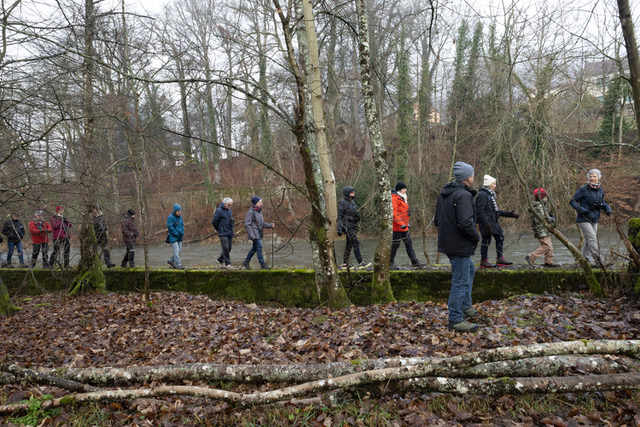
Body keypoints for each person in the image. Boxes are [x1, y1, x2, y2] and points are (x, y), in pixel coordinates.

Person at [435, 161, 480, 333]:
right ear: (468, 177)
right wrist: (475, 237)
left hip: (448, 242)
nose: (473, 176)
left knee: (469, 269)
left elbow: (437, 220)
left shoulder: (444, 194)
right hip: (459, 243)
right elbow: (466, 223)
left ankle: (465, 306)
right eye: (472, 174)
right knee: (460, 281)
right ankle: (455, 319)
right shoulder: (463, 195)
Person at [570, 168, 612, 267]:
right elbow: (572, 201)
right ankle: (598, 261)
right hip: (583, 218)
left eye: (594, 176)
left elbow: (602, 202)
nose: (592, 178)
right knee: (592, 239)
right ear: (588, 178)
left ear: (598, 178)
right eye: (591, 176)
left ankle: (584, 260)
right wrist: (581, 209)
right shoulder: (583, 189)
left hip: (595, 218)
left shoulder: (600, 189)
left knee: (589, 240)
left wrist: (607, 208)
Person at [475, 175, 519, 268]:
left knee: (500, 237)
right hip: (486, 222)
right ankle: (484, 261)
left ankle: (500, 259)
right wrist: (486, 223)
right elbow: (480, 211)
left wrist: (509, 214)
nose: (495, 186)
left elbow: (495, 211)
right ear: (489, 185)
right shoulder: (483, 195)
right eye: (494, 184)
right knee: (486, 240)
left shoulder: (490, 195)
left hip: (493, 222)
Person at [390, 182, 425, 269]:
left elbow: (402, 212)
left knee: (409, 243)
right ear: (401, 189)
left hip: (403, 226)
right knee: (395, 245)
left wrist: (407, 218)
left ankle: (414, 261)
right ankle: (389, 263)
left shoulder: (403, 198)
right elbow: (394, 213)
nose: (406, 190)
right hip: (397, 226)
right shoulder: (395, 198)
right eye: (405, 188)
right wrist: (401, 224)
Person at [337, 186, 371, 269]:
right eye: (351, 192)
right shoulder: (342, 203)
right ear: (347, 194)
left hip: (352, 226)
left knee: (349, 245)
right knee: (356, 243)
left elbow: (352, 213)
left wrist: (357, 217)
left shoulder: (352, 202)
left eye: (353, 192)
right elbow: (340, 217)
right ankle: (361, 263)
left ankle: (345, 264)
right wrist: (339, 229)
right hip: (347, 227)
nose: (353, 193)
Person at [525, 188, 559, 268]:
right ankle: (531, 257)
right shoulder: (539, 206)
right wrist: (552, 219)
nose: (547, 198)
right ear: (542, 197)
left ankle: (548, 261)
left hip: (543, 228)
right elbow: (543, 217)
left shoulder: (541, 205)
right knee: (546, 245)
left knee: (549, 245)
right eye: (545, 196)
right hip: (540, 228)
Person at [242, 196, 274, 270]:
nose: (261, 204)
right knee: (259, 248)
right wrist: (252, 235)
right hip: (254, 234)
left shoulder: (259, 212)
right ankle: (263, 265)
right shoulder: (251, 212)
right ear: (255, 203)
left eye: (261, 202)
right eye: (260, 202)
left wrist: (270, 225)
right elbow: (247, 224)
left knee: (255, 248)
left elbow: (261, 224)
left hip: (258, 233)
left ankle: (245, 262)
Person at [212, 198, 235, 268]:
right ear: (225, 204)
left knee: (229, 248)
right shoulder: (219, 211)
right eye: (229, 205)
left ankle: (220, 260)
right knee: (225, 248)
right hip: (222, 232)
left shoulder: (229, 210)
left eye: (231, 205)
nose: (230, 206)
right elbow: (214, 222)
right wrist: (217, 228)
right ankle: (228, 264)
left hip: (229, 231)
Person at [166, 203, 185, 269]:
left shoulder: (181, 217)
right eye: (178, 211)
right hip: (173, 237)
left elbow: (182, 225)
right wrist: (176, 233)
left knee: (179, 251)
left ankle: (171, 261)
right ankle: (178, 265)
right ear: (175, 211)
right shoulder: (170, 217)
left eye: (180, 211)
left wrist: (182, 232)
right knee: (176, 251)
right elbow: (170, 227)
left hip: (180, 236)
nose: (179, 213)